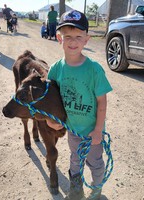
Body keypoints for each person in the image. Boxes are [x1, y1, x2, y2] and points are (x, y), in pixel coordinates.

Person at [46, 10, 113, 200]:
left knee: (95, 163)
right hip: (74, 131)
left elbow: (102, 102)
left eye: (78, 36)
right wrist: (52, 122)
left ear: (86, 39)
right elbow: (52, 101)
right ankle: (76, 192)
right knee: (75, 161)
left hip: (92, 132)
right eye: (67, 36)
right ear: (60, 38)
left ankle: (97, 191)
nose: (72, 41)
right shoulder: (55, 69)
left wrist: (98, 130)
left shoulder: (94, 70)